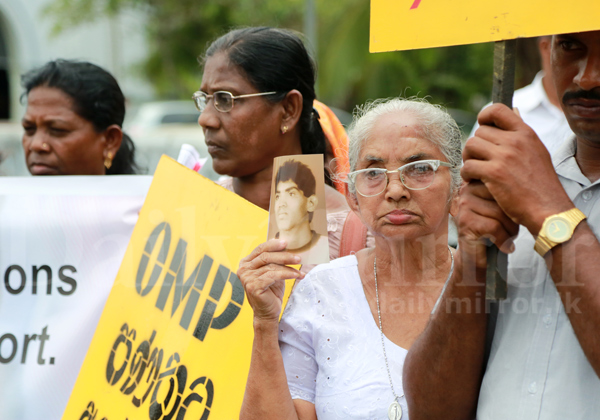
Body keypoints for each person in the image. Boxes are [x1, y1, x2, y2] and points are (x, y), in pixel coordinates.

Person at [404, 30, 600, 419]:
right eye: (571, 46)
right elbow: (431, 410)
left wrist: (549, 214)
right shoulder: (511, 183)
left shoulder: (533, 190)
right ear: (549, 50)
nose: (588, 77)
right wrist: (470, 263)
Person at [238, 97, 463, 419]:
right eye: (373, 172)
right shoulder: (320, 291)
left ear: (457, 186)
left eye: (419, 168)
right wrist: (263, 324)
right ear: (353, 197)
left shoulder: (490, 289)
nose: (395, 189)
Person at [191, 27, 364, 263]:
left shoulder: (358, 238)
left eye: (225, 99)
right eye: (205, 99)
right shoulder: (188, 214)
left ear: (288, 110)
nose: (205, 119)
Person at [20, 59, 139, 175]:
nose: (36, 145)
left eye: (57, 130)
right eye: (29, 129)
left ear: (110, 141)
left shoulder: (145, 194)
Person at [470, 36, 573, 154]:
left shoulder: (592, 112)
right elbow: (472, 168)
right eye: (569, 46)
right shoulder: (502, 109)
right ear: (545, 47)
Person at [273, 159, 328, 263]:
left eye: (291, 194)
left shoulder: (327, 247)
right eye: (277, 196)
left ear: (311, 203)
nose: (281, 204)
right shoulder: (264, 249)